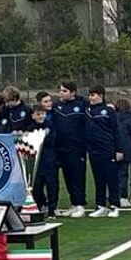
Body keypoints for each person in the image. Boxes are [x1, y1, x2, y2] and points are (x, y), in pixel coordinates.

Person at [54, 82, 89, 217]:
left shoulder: (82, 104)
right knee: (68, 177)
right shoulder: (57, 106)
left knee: (78, 177)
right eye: (61, 90)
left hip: (77, 147)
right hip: (61, 148)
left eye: (64, 91)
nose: (61, 93)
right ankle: (73, 204)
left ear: (73, 92)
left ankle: (80, 204)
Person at [84, 84, 120, 218]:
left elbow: (116, 131)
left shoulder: (109, 111)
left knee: (111, 178)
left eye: (93, 95)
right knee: (98, 180)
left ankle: (114, 205)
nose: (90, 98)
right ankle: (101, 206)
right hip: (93, 151)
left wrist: (119, 149)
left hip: (108, 149)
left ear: (101, 96)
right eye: (89, 95)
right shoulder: (86, 110)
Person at [114, 97, 131, 208]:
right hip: (127, 149)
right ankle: (122, 197)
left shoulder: (113, 117)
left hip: (114, 148)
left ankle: (115, 195)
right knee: (124, 173)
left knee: (114, 174)